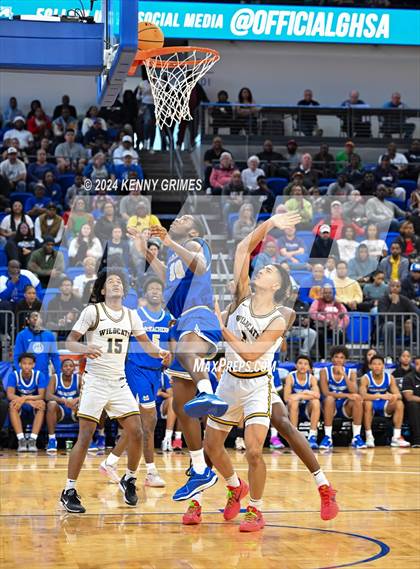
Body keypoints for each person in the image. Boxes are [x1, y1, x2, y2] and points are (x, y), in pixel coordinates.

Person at [205, 212, 336, 531]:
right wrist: (272, 222)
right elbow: (241, 249)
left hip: (258, 384)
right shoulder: (241, 297)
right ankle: (235, 488)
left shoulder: (284, 314)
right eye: (260, 266)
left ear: (276, 285)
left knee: (265, 441)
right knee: (211, 447)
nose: (260, 267)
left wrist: (226, 333)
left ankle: (311, 490)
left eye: (267, 269)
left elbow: (250, 354)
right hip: (229, 382)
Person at [128, 215, 229, 507]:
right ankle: (199, 468)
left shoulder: (198, 244)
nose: (179, 218)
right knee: (180, 407)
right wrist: (143, 248)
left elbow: (198, 265)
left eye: (186, 217)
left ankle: (208, 390)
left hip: (200, 313)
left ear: (194, 229)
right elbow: (164, 276)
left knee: (187, 351)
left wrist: (169, 242)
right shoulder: (173, 257)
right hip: (181, 322)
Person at [60, 267, 170, 513]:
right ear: (102, 289)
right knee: (86, 436)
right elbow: (70, 341)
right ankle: (68, 490)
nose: (116, 284)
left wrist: (160, 352)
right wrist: (84, 350)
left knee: (137, 431)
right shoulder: (93, 311)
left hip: (119, 382)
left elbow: (146, 344)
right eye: (111, 281)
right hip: (96, 381)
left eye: (119, 281)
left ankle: (129, 478)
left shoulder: (131, 315)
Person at [100, 277, 171, 487]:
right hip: (135, 369)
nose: (155, 291)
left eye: (159, 287)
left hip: (155, 372)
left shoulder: (169, 318)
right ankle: (150, 472)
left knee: (141, 425)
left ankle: (110, 462)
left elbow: (171, 346)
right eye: (151, 288)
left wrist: (169, 361)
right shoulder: (136, 315)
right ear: (145, 294)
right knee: (148, 422)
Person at [319, 346, 366, 450]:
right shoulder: (324, 371)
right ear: (332, 359)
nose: (339, 360)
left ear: (345, 360)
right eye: (336, 357)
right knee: (330, 399)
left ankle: (356, 437)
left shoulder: (351, 372)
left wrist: (344, 374)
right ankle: (327, 437)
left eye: (341, 357)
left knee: (357, 398)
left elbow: (354, 390)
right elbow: (326, 392)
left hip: (345, 407)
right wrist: (346, 395)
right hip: (330, 406)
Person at [360, 355, 410, 448]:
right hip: (371, 405)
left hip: (384, 405)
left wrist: (393, 396)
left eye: (379, 364)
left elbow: (399, 394)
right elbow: (362, 396)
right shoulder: (365, 378)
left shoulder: (389, 377)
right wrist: (379, 395)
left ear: (383, 366)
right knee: (367, 403)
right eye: (374, 364)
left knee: (399, 403)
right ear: (370, 366)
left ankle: (396, 437)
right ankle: (369, 437)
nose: (377, 366)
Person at [7, 353, 47, 452]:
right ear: (20, 364)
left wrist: (25, 398)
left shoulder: (39, 375)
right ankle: (21, 440)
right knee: (12, 405)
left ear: (34, 365)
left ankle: (33, 439)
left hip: (32, 405)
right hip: (23, 405)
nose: (27, 366)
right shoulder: (14, 375)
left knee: (42, 404)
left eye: (30, 364)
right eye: (24, 363)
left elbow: (42, 396)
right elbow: (10, 395)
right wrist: (28, 401)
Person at [283, 356, 321, 450]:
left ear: (309, 367)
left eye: (305, 364)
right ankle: (294, 437)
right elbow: (286, 398)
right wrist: (307, 393)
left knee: (316, 402)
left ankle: (312, 436)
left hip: (306, 408)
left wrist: (299, 395)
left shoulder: (312, 378)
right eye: (300, 363)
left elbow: (317, 395)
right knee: (294, 402)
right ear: (296, 365)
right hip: (292, 408)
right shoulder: (290, 376)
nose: (302, 366)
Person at [378, 280, 420, 358]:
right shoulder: (382, 300)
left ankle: (418, 356)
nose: (395, 288)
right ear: (389, 287)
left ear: (400, 288)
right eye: (393, 286)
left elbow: (417, 313)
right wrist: (394, 303)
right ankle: (389, 356)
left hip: (403, 327)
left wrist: (411, 321)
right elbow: (386, 318)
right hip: (386, 327)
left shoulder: (404, 299)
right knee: (390, 325)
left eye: (397, 286)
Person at [46, 359, 80, 453]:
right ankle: (52, 440)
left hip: (75, 411)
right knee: (51, 404)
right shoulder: (55, 378)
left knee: (84, 406)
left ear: (74, 368)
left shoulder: (79, 378)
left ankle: (88, 440)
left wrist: (76, 400)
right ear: (61, 368)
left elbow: (86, 394)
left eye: (70, 366)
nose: (68, 367)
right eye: (65, 366)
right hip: (60, 412)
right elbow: (48, 395)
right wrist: (63, 401)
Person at [309, 285, 349, 359]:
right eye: (326, 293)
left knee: (340, 334)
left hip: (336, 327)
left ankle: (338, 357)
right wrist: (325, 319)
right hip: (323, 326)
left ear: (332, 293)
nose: (328, 295)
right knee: (320, 334)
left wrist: (340, 325)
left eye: (329, 293)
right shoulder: (317, 302)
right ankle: (323, 357)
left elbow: (345, 316)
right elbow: (312, 312)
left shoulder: (338, 303)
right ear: (322, 294)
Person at [14, 311, 61, 375]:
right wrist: (19, 373)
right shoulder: (22, 335)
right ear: (28, 321)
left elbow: (55, 356)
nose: (36, 318)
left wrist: (60, 374)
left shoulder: (49, 335)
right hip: (27, 375)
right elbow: (17, 356)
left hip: (44, 374)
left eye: (38, 317)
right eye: (33, 317)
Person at [402, 357, 420, 447]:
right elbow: (409, 397)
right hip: (414, 406)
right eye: (417, 364)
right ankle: (417, 440)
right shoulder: (409, 378)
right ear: (414, 366)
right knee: (413, 405)